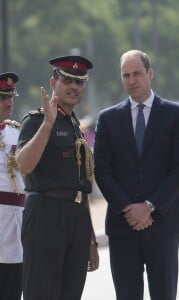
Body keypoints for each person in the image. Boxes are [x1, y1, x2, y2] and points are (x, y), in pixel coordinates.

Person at [94, 49, 179, 300]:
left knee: (164, 294)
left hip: (163, 222)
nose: (131, 80)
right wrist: (128, 208)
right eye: (125, 75)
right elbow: (102, 170)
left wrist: (149, 206)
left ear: (150, 73)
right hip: (122, 225)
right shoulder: (107, 119)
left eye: (137, 73)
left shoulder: (177, 115)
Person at [16, 55, 99, 300]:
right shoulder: (37, 120)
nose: (74, 87)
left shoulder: (75, 124)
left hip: (76, 218)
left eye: (80, 82)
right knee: (42, 293)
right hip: (46, 214)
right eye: (67, 80)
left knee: (71, 293)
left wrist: (91, 239)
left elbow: (80, 186)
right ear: (53, 83)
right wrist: (48, 124)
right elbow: (23, 165)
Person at [0, 72, 25, 300]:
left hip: (16, 227)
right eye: (2, 98)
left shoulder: (16, 132)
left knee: (12, 290)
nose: (8, 103)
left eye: (10, 97)